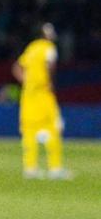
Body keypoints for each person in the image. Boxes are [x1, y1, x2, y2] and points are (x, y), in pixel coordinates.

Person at [15, 23, 68, 179]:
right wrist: (50, 81)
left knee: (29, 130)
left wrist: (26, 81)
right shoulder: (48, 47)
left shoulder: (31, 47)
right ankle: (55, 168)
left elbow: (16, 67)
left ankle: (30, 168)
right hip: (43, 93)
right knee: (54, 127)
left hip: (28, 94)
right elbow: (50, 65)